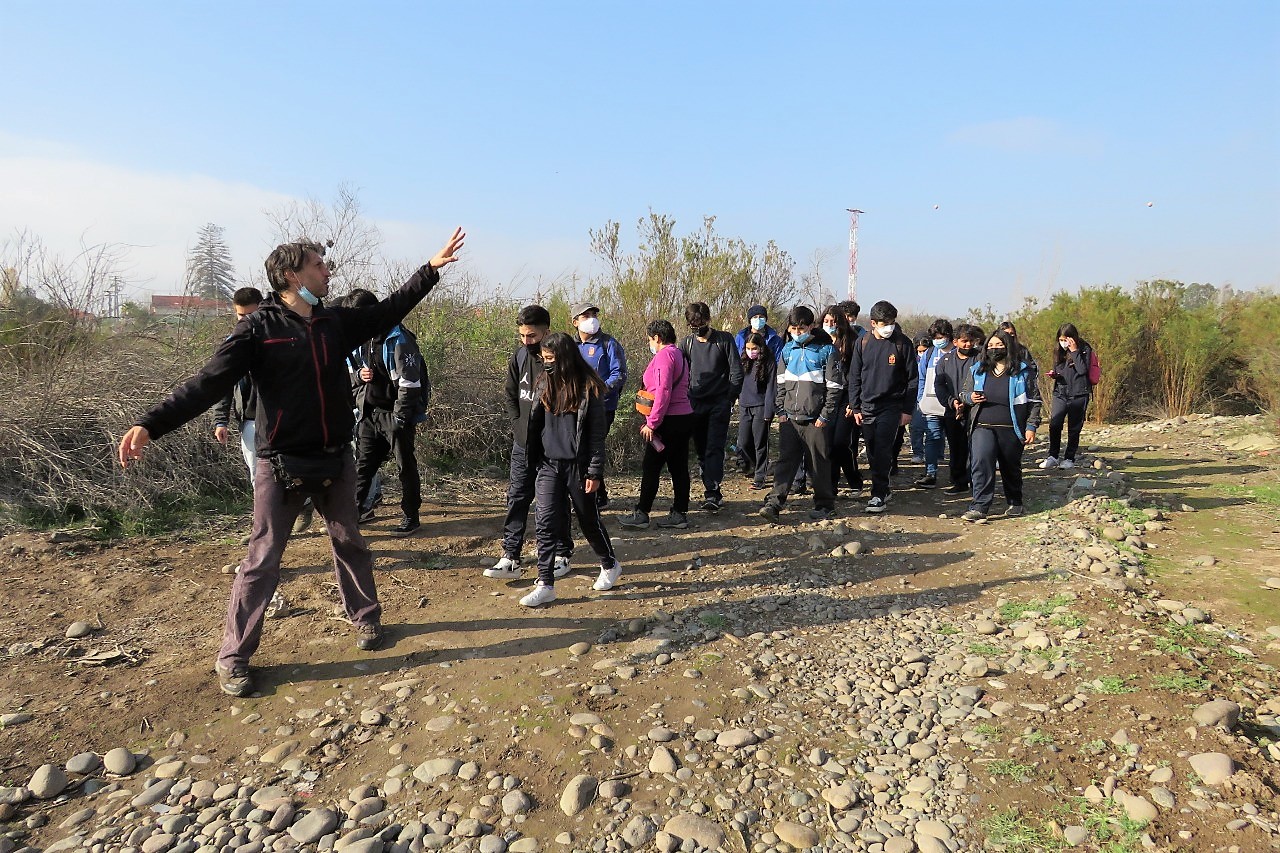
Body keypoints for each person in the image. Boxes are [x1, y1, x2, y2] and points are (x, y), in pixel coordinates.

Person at [119, 228, 466, 697]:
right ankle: (234, 656)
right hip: (280, 463)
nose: (327, 271)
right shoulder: (257, 329)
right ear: (290, 275)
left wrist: (430, 269)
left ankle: (366, 620)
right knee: (262, 559)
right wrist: (150, 424)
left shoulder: (334, 322)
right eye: (318, 265)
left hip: (335, 457)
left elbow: (388, 310)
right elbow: (206, 384)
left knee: (350, 542)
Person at [520, 332, 622, 606]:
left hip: (578, 466)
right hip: (548, 464)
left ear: (565, 358)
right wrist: (532, 458)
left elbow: (596, 435)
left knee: (588, 519)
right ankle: (545, 583)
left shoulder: (590, 388)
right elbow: (534, 424)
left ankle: (610, 564)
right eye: (544, 358)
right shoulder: (544, 383)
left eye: (551, 358)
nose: (546, 363)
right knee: (545, 522)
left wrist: (595, 472)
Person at [485, 306, 574, 581]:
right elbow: (512, 394)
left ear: (546, 331)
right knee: (517, 497)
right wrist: (518, 426)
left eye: (532, 335)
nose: (527, 341)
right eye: (522, 335)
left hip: (552, 448)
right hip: (523, 443)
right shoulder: (520, 355)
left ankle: (562, 554)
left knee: (555, 502)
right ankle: (511, 556)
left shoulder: (563, 360)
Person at [346, 289, 429, 535]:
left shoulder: (399, 338)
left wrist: (401, 417)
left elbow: (410, 382)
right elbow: (349, 372)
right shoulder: (361, 338)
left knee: (405, 466)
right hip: (369, 413)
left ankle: (411, 516)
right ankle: (352, 516)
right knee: (363, 467)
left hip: (394, 414)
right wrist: (359, 376)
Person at [759, 306, 843, 523]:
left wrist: (824, 416)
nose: (797, 332)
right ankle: (774, 504)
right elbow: (779, 384)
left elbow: (834, 388)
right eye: (794, 328)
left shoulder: (827, 350)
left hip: (816, 420)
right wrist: (781, 411)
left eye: (802, 328)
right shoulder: (787, 350)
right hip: (790, 418)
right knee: (785, 462)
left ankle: (825, 504)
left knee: (819, 463)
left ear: (811, 326)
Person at [959, 329, 1042, 521]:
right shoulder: (977, 370)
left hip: (1011, 428)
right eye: (990, 346)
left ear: (1008, 347)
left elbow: (1035, 401)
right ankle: (979, 506)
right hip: (982, 425)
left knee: (1010, 466)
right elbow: (964, 393)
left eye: (999, 345)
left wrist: (1031, 426)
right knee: (981, 461)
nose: (994, 349)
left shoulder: (1023, 372)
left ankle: (1015, 501)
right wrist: (970, 397)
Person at [618, 320, 694, 529]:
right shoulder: (679, 354)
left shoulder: (664, 356)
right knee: (678, 467)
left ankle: (642, 513)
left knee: (651, 466)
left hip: (668, 420)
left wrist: (652, 423)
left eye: (650, 339)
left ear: (657, 338)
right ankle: (679, 512)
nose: (649, 343)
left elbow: (663, 391)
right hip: (683, 416)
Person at [847, 300, 918, 514]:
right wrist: (855, 406)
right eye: (884, 323)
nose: (889, 327)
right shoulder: (862, 343)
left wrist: (907, 410)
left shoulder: (902, 344)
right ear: (873, 323)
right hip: (867, 406)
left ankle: (878, 495)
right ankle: (883, 487)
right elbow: (854, 377)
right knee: (871, 449)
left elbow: (913, 380)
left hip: (892, 406)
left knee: (883, 448)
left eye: (892, 322)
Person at [680, 302, 743, 513]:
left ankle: (713, 493)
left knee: (714, 447)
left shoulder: (724, 340)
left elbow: (736, 371)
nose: (697, 329)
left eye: (700, 324)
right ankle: (709, 486)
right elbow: (680, 372)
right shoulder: (687, 343)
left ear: (708, 320)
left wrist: (729, 399)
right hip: (694, 404)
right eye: (693, 325)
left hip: (719, 403)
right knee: (700, 450)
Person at [570, 302, 627, 509]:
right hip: (575, 407)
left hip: (603, 407)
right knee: (578, 450)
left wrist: (600, 389)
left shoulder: (608, 344)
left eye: (593, 314)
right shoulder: (571, 346)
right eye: (585, 316)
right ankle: (593, 494)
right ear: (575, 322)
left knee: (593, 448)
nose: (591, 318)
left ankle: (597, 497)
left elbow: (619, 374)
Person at [212, 287, 264, 481]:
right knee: (257, 476)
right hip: (250, 420)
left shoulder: (279, 339)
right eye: (241, 315)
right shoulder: (233, 344)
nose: (245, 320)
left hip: (282, 419)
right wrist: (220, 421)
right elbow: (223, 384)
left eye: (251, 315)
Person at [1042, 322, 1101, 470]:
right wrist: (1054, 374)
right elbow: (1059, 368)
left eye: (1066, 339)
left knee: (1074, 428)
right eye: (1061, 340)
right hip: (1061, 392)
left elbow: (1082, 370)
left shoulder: (1085, 349)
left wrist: (1074, 351)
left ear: (1073, 338)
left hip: (1079, 394)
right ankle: (1053, 456)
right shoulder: (1058, 350)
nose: (1063, 343)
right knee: (1055, 424)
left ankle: (1069, 458)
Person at [934, 324, 984, 494]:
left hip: (976, 410)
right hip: (952, 411)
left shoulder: (980, 358)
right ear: (955, 342)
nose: (968, 345)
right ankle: (959, 481)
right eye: (964, 341)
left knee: (977, 447)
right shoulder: (945, 361)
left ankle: (977, 482)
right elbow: (939, 386)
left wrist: (970, 400)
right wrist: (952, 402)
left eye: (971, 341)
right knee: (956, 448)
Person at [821, 305, 862, 497]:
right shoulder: (819, 341)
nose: (830, 325)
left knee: (840, 442)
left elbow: (858, 375)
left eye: (834, 322)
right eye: (826, 321)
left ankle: (854, 479)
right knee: (827, 443)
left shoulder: (853, 341)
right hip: (825, 398)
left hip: (846, 398)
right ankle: (832, 484)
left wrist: (853, 403)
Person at [912, 319, 954, 489]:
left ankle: (958, 475)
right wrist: (920, 399)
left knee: (956, 441)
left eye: (941, 336)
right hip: (931, 404)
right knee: (932, 437)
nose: (939, 340)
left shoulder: (958, 352)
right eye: (935, 337)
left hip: (953, 406)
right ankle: (930, 473)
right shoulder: (929, 354)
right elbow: (921, 377)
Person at [735, 331, 777, 491]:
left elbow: (771, 388)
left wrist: (769, 411)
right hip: (745, 405)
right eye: (748, 348)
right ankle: (755, 465)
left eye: (754, 348)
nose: (751, 351)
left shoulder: (769, 362)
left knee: (760, 443)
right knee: (744, 442)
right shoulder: (742, 360)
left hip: (761, 407)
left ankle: (760, 477)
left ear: (761, 348)